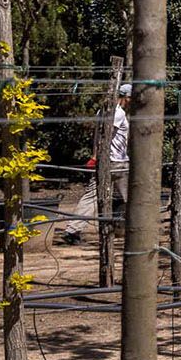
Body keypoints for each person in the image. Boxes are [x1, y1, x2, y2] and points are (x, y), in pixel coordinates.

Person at [62, 82, 130, 245]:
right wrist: (99, 155)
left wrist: (95, 156)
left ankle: (73, 230)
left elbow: (97, 136)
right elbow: (105, 136)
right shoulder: (117, 113)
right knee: (133, 196)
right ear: (126, 98)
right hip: (116, 162)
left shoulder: (103, 110)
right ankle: (138, 229)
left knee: (92, 196)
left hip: (109, 161)